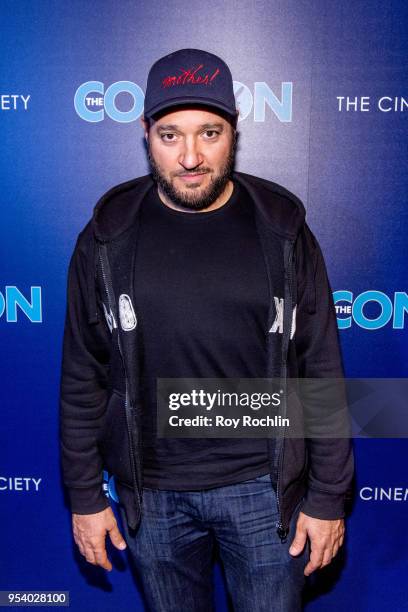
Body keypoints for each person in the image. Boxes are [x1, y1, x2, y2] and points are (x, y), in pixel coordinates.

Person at [60, 48, 354, 611]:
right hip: (154, 496)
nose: (191, 157)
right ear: (145, 132)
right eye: (170, 136)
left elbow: (321, 367)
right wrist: (83, 495)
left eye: (209, 133)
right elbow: (82, 375)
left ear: (234, 131)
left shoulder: (284, 231)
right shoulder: (105, 239)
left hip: (265, 494)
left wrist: (328, 496)